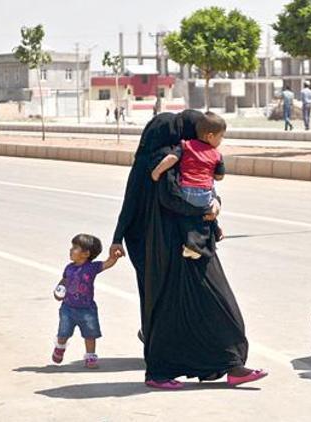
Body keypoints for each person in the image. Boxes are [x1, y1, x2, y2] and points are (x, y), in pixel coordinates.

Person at [110, 110, 267, 389]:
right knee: (186, 310)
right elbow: (172, 199)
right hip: (173, 251)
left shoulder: (178, 156)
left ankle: (229, 365)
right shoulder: (164, 159)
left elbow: (200, 183)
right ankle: (162, 372)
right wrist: (208, 209)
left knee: (209, 307)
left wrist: (214, 204)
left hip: (191, 245)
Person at [151, 112, 226, 258]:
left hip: (185, 191)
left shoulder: (185, 145)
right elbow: (219, 176)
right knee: (207, 213)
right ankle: (200, 241)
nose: (221, 140)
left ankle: (195, 241)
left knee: (187, 215)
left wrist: (157, 171)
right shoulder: (217, 154)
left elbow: (171, 158)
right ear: (210, 136)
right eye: (221, 136)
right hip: (203, 193)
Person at [52, 234, 121, 369]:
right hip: (68, 308)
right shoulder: (69, 268)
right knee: (63, 333)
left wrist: (114, 257)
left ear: (86, 253)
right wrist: (58, 291)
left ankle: (90, 356)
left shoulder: (92, 267)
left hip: (87, 309)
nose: (71, 250)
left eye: (75, 248)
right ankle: (60, 347)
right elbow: (64, 280)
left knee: (90, 334)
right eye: (72, 247)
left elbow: (107, 264)